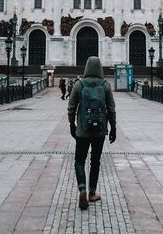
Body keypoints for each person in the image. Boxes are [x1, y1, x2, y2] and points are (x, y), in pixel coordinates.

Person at [67, 56, 116, 211]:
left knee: (79, 161)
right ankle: (92, 193)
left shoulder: (79, 85)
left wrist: (72, 124)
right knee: (95, 161)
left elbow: (71, 107)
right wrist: (113, 128)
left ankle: (82, 188)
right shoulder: (105, 85)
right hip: (100, 130)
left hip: (82, 130)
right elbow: (111, 109)